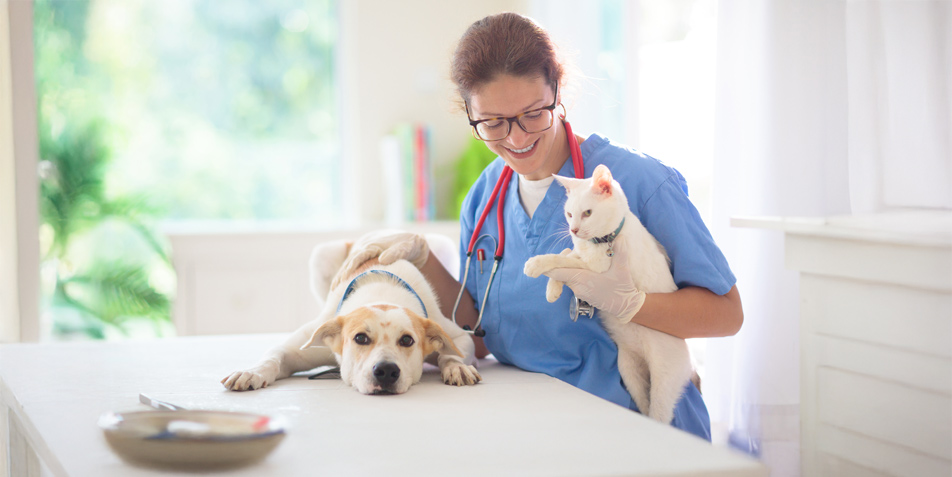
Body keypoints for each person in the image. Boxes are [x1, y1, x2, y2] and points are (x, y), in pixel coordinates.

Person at [345, 12, 742, 441]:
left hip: (642, 430)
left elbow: (726, 314)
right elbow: (479, 336)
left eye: (533, 113)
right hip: (534, 429)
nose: (516, 139)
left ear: (557, 90)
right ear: (469, 114)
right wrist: (422, 257)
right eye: (492, 122)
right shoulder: (483, 198)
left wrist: (629, 304)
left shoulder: (639, 182)